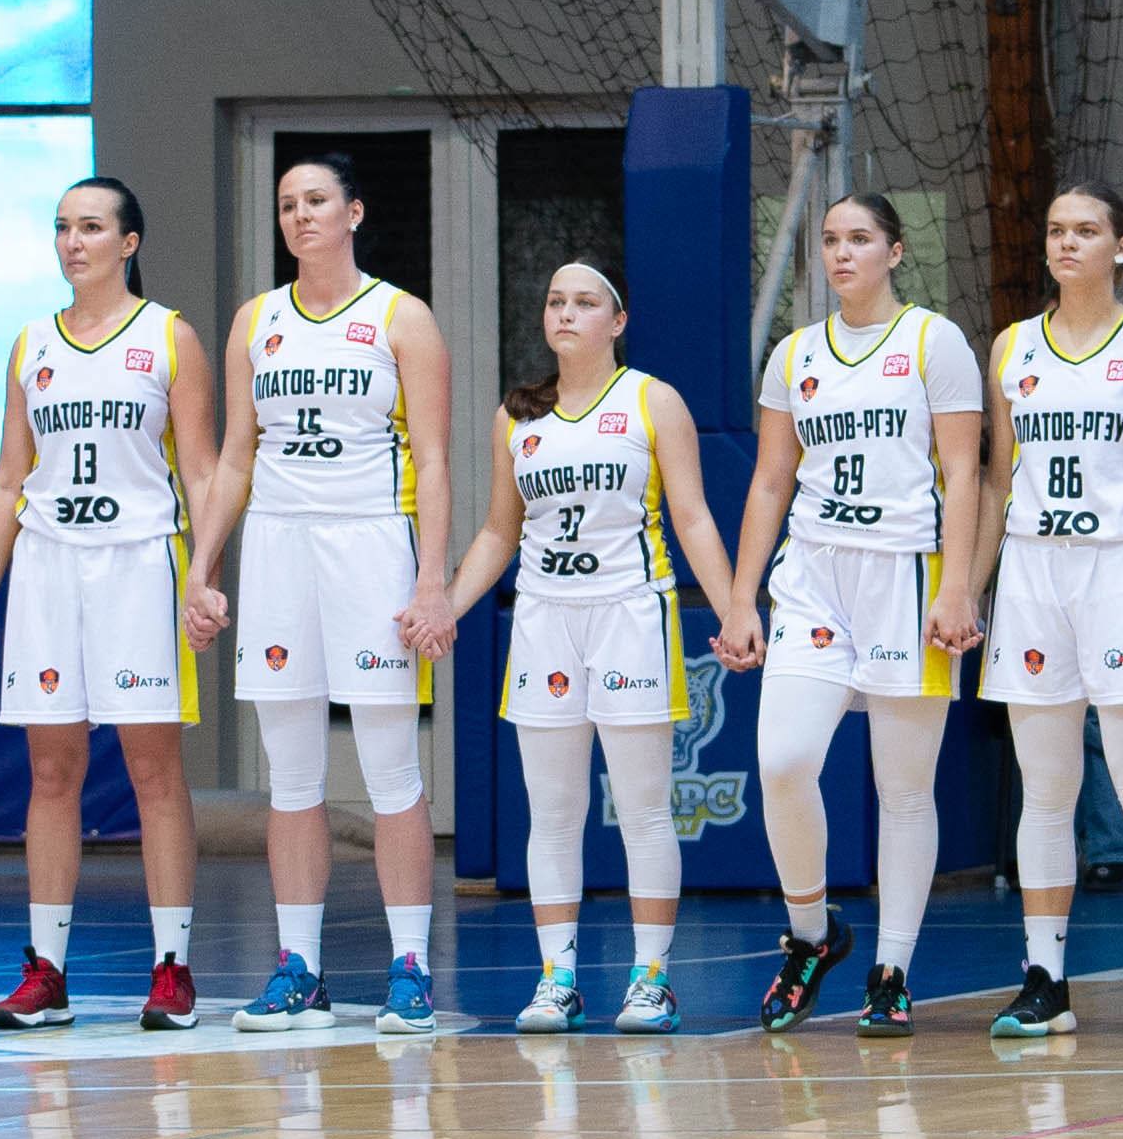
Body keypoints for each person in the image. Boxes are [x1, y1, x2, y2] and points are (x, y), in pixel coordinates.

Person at [442, 261, 753, 1037]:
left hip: (629, 614)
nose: (566, 313)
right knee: (551, 811)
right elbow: (498, 531)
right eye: (556, 301)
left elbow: (693, 517)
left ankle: (652, 980)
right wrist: (444, 607)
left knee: (644, 808)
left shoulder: (652, 401)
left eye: (585, 302)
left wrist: (733, 611)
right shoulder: (517, 416)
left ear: (617, 321)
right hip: (544, 618)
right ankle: (557, 980)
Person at [197, 151, 454, 1034]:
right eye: (287, 204)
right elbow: (236, 457)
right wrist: (202, 567)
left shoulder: (400, 317)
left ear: (354, 212)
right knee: (292, 775)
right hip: (279, 546)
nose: (300, 215)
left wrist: (432, 579)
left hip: (372, 543)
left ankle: (410, 967)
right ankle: (298, 970)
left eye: (316, 200)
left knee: (390, 767)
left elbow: (434, 460)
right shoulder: (255, 320)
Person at [723, 193, 986, 1036]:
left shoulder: (934, 341)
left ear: (895, 252)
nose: (842, 253)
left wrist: (958, 586)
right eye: (831, 240)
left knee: (903, 789)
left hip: (907, 575)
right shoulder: (795, 353)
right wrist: (741, 595)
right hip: (814, 577)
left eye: (860, 239)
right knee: (783, 762)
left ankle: (892, 970)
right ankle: (812, 935)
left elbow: (964, 472)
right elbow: (771, 479)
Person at [0, 174, 216, 1032]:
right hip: (48, 566)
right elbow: (8, 480)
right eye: (63, 227)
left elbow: (203, 473)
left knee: (153, 770)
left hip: (140, 563)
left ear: (129, 243)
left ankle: (173, 969)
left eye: (92, 227)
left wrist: (205, 574)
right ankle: (47, 972)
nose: (74, 242)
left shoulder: (169, 337)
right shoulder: (31, 342)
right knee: (50, 772)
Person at [982, 184, 1123, 1042]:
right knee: (1045, 791)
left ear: (1122, 245)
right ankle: (1045, 979)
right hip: (1033, 572)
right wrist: (968, 587)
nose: (1066, 243)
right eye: (1055, 230)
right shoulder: (1012, 347)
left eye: (1085, 230)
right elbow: (998, 481)